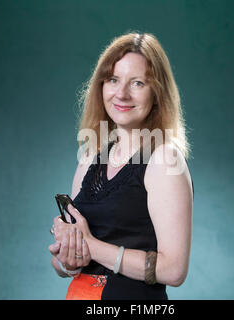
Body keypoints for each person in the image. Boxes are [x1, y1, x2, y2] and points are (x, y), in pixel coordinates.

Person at [48, 32, 194, 300]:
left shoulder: (164, 159)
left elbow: (174, 270)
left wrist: (91, 246)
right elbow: (68, 267)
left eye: (137, 83)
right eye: (113, 80)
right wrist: (68, 257)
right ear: (101, 86)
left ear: (157, 93)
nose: (121, 94)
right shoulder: (90, 156)